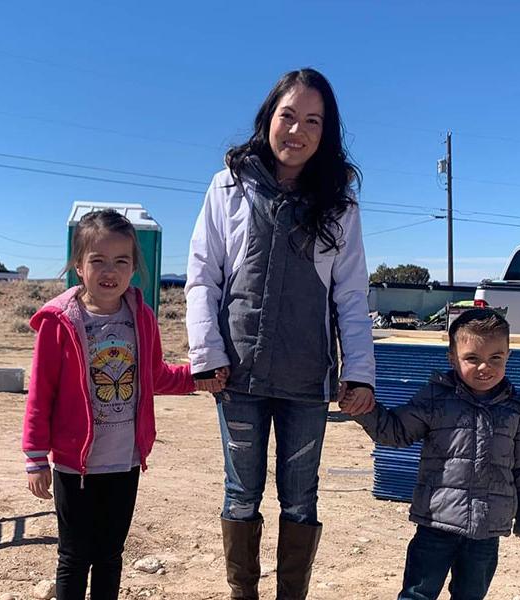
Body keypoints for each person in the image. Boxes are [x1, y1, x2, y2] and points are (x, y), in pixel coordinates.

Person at [185, 68, 376, 600]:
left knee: (300, 499)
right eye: (288, 115)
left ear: (327, 132)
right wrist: (206, 353)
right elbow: (203, 276)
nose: (297, 130)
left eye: (312, 121)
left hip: (306, 382)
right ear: (268, 117)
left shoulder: (340, 205)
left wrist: (358, 372)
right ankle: (242, 593)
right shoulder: (229, 187)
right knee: (241, 493)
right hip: (238, 376)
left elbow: (351, 297)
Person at [22, 209, 224, 600]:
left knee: (111, 554)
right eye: (97, 260)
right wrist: (34, 457)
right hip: (72, 464)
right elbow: (40, 394)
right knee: (74, 555)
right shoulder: (59, 322)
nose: (109, 270)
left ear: (134, 268)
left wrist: (199, 379)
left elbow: (156, 376)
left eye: (121, 261)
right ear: (79, 266)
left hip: (124, 460)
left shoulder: (141, 318)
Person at [344, 308, 520, 600]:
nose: (484, 367)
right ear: (452, 357)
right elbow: (396, 430)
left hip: (486, 532)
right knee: (417, 594)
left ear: (508, 356)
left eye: (495, 358)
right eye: (472, 358)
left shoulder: (519, 411)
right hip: (436, 524)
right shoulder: (436, 400)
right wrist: (365, 410)